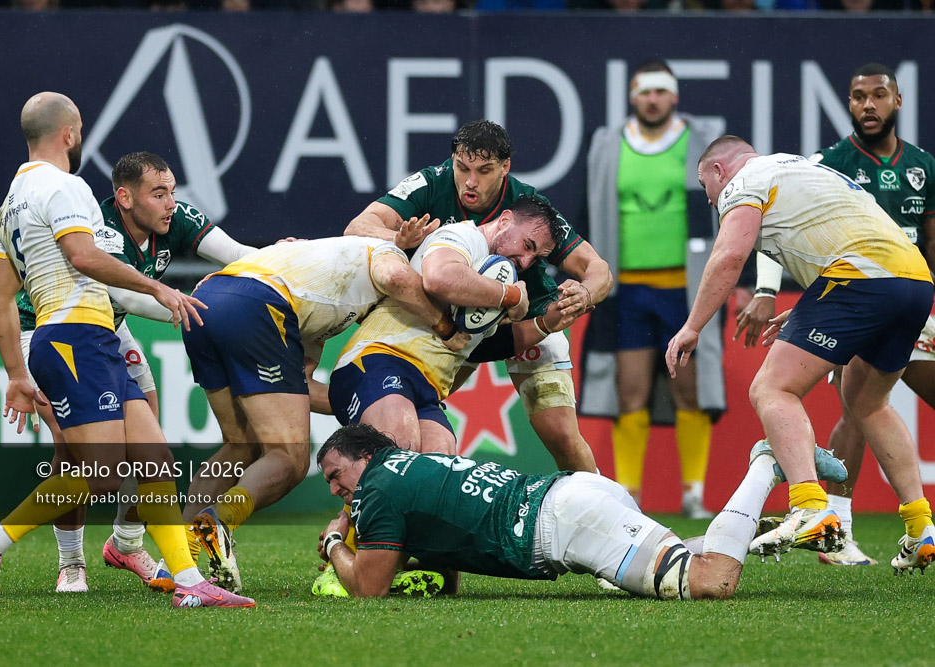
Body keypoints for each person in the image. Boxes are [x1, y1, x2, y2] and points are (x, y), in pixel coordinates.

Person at [0, 91, 254, 609]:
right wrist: (157, 288)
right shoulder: (67, 187)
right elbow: (84, 257)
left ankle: (188, 584)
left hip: (92, 337)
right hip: (73, 338)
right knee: (102, 470)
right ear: (71, 134)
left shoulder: (9, 204)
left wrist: (15, 373)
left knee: (154, 459)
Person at [666, 135, 935, 571]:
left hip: (859, 281)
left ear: (718, 171)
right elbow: (849, 234)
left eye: (705, 187)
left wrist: (692, 326)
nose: (710, 199)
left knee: (772, 389)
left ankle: (810, 505)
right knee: (869, 403)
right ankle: (921, 525)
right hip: (914, 281)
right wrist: (807, 308)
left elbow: (729, 255)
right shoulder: (800, 166)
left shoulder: (743, 181)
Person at [180, 225, 464, 592]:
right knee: (290, 457)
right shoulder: (382, 252)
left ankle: (177, 561)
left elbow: (300, 384)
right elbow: (396, 277)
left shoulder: (325, 289)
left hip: (207, 300)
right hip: (260, 305)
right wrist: (443, 326)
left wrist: (368, 394)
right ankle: (219, 521)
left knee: (240, 444)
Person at [735, 64, 935, 567]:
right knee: (861, 404)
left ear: (898, 101)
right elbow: (776, 223)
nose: (868, 105)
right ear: (847, 104)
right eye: (857, 97)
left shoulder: (924, 166)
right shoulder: (829, 162)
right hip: (872, 291)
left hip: (900, 295)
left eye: (878, 96)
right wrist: (765, 289)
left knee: (858, 402)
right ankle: (850, 526)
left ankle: (823, 513)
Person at [345, 119, 612, 476]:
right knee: (408, 410)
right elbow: (358, 227)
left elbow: (598, 269)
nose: (471, 181)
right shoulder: (431, 183)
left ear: (505, 168)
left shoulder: (528, 207)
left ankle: (608, 515)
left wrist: (584, 291)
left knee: (562, 437)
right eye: (463, 168)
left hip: (532, 319)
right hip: (461, 327)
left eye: (484, 171)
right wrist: (399, 239)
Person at [313, 423, 848, 598]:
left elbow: (368, 588)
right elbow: (447, 565)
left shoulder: (377, 492)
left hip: (569, 526)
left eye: (336, 474)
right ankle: (750, 527)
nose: (336, 489)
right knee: (669, 564)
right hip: (575, 497)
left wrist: (336, 544)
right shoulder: (412, 466)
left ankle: (764, 463)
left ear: (366, 457)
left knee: (711, 583)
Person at [580, 60, 724, 518]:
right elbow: (589, 212)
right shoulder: (607, 145)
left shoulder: (702, 142)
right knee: (630, 392)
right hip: (627, 291)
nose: (653, 99)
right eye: (645, 92)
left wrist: (733, 282)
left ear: (675, 96)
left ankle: (694, 493)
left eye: (661, 91)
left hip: (686, 289)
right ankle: (629, 496)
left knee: (691, 391)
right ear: (633, 97)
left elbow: (730, 212)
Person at [330, 195, 570, 454]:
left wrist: (546, 323)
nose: (525, 261)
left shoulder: (498, 275)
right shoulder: (465, 237)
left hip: (427, 387)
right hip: (379, 362)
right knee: (399, 458)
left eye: (535, 258)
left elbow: (480, 349)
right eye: (527, 245)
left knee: (438, 475)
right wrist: (511, 296)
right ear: (505, 220)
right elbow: (439, 277)